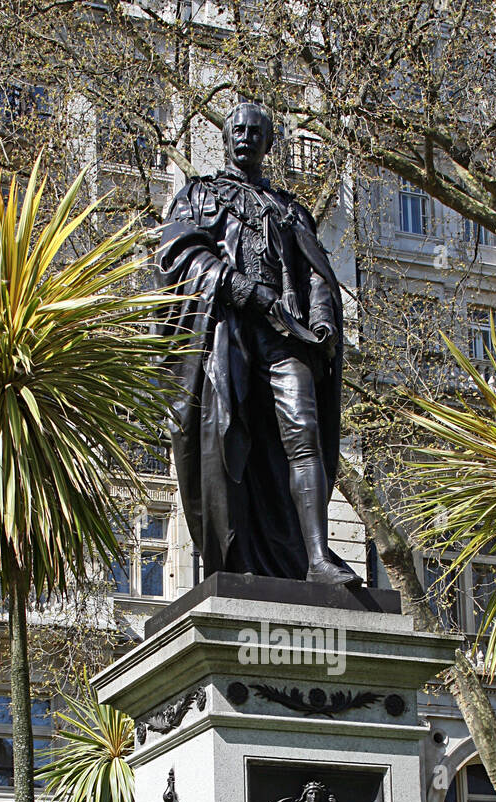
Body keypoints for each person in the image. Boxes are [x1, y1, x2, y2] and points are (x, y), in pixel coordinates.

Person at [157, 100, 360, 587]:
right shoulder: (198, 195)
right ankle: (231, 559)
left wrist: (325, 322)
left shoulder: (291, 210)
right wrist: (244, 289)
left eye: (255, 132)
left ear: (269, 144)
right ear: (226, 139)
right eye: (237, 130)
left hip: (287, 334)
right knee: (225, 438)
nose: (245, 137)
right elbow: (179, 255)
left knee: (304, 435)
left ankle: (316, 557)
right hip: (228, 333)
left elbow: (317, 275)